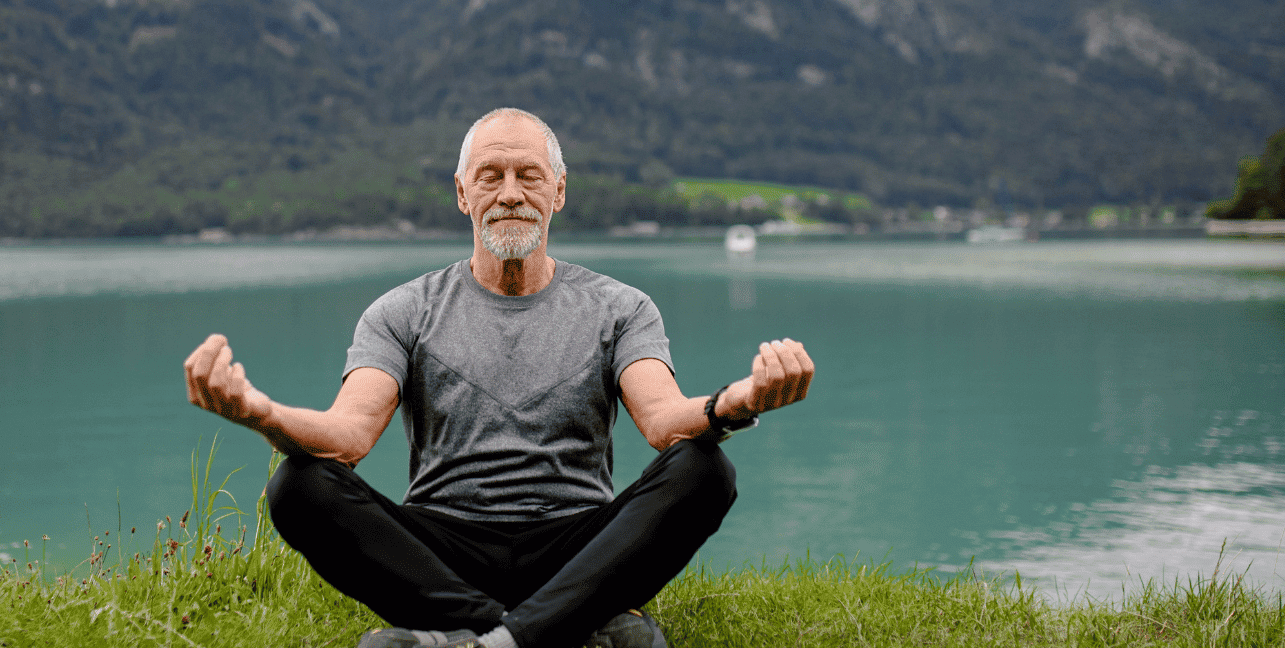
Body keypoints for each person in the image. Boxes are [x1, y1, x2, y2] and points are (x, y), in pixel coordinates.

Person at [183, 108, 813, 648]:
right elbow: (347, 436)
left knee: (705, 469)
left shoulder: (621, 308)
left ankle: (484, 638)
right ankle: (569, 630)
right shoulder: (402, 311)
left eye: (528, 176)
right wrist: (257, 411)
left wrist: (739, 401)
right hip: (442, 550)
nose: (510, 192)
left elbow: (664, 422)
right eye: (490, 177)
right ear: (463, 194)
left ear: (558, 191)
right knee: (298, 484)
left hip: (578, 546)